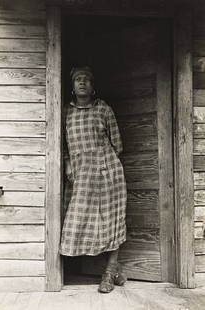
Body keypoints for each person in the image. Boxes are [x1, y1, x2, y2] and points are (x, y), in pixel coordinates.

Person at [60, 66, 127, 293]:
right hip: (80, 177)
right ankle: (116, 270)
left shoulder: (103, 109)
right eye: (78, 79)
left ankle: (108, 274)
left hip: (108, 174)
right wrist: (69, 164)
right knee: (78, 222)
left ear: (93, 85)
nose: (82, 83)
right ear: (72, 86)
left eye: (87, 79)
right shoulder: (65, 112)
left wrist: (102, 163)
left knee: (112, 222)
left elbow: (117, 144)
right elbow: (63, 145)